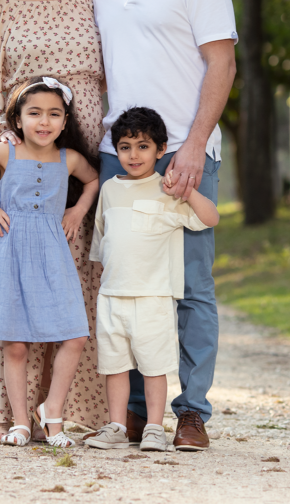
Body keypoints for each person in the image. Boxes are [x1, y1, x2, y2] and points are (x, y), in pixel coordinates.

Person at [93, 0, 238, 451]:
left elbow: (221, 65)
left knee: (191, 286)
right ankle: (133, 414)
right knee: (125, 282)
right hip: (119, 152)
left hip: (184, 146)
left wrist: (196, 144)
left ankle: (191, 413)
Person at [0, 0, 108, 442]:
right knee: (19, 288)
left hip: (86, 158)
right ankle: (13, 414)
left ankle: (68, 409)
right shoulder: (0, 9)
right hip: (25, 165)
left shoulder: (97, 1)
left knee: (76, 285)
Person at [0, 77, 101, 447]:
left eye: (53, 114)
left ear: (65, 122)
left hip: (52, 253)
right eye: (34, 113)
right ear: (17, 120)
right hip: (9, 250)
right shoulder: (6, 152)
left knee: (75, 335)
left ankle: (53, 413)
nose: (44, 122)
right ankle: (19, 422)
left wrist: (78, 209)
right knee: (15, 344)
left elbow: (94, 180)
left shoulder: (70, 159)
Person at [84, 107, 219, 452]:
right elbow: (102, 241)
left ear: (161, 150)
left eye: (143, 146)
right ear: (116, 151)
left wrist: (186, 192)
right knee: (114, 365)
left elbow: (210, 218)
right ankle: (117, 425)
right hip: (113, 296)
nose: (133, 154)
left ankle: (155, 428)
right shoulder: (110, 189)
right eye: (125, 147)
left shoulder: (167, 190)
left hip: (154, 297)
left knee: (153, 365)